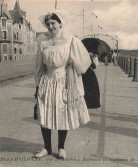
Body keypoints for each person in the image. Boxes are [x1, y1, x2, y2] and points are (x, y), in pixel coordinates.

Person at [34, 11, 91, 158]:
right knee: (44, 113)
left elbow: (82, 62)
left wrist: (73, 65)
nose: (50, 26)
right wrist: (38, 85)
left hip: (64, 82)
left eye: (53, 23)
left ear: (60, 23)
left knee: (62, 114)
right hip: (47, 81)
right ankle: (47, 148)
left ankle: (61, 148)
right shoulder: (43, 41)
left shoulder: (70, 40)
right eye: (48, 24)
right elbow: (38, 65)